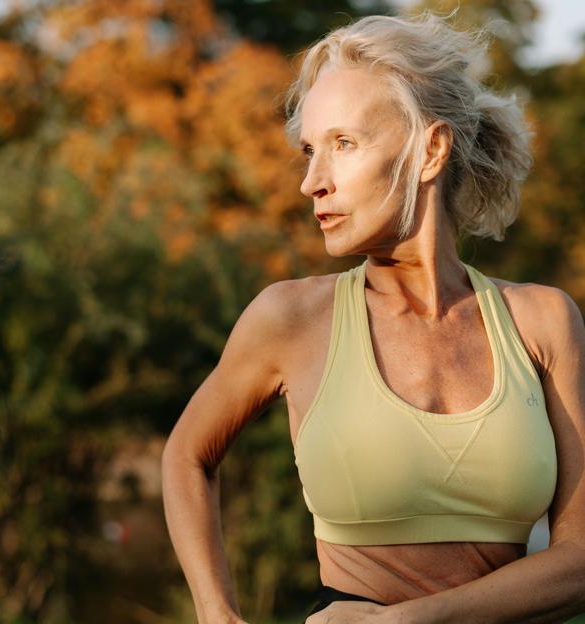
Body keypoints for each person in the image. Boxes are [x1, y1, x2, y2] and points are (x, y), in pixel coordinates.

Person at [161, 11, 585, 623]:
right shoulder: (290, 318)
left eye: (343, 144)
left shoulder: (543, 322)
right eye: (309, 150)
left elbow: (578, 559)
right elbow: (186, 456)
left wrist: (408, 622)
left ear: (430, 150)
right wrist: (216, 613)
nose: (312, 181)